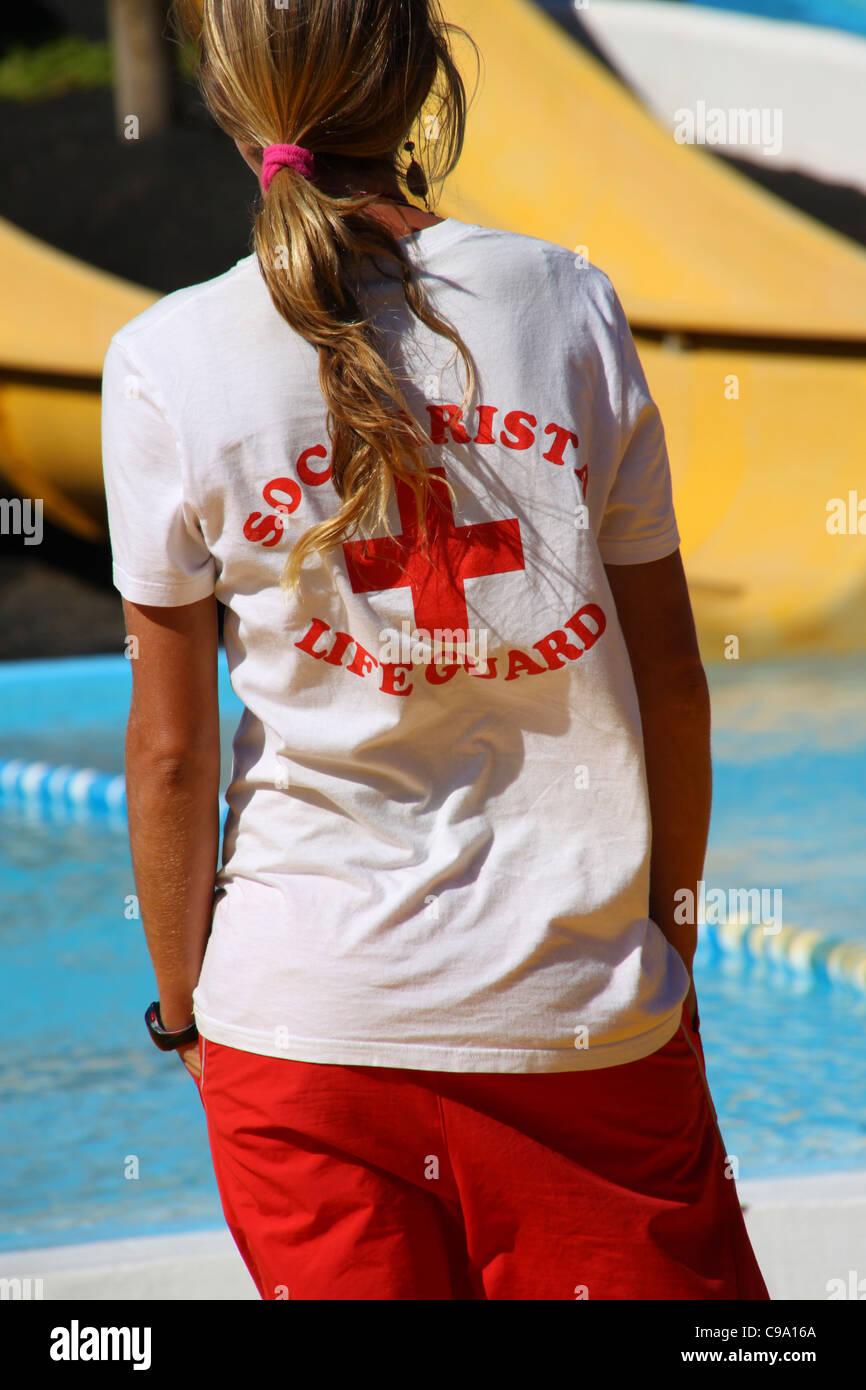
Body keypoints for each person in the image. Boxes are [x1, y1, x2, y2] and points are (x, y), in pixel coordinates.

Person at [101, 0, 769, 1301]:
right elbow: (674, 687)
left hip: (302, 1030)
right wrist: (667, 946)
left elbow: (171, 752)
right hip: (577, 1016)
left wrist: (186, 1009)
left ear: (233, 103)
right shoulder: (563, 303)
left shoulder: (166, 361)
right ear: (422, 82)